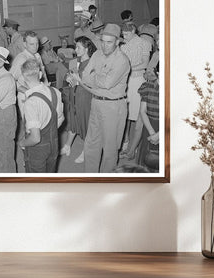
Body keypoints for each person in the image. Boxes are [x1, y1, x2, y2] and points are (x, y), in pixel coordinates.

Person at [78, 24, 130, 173]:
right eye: (103, 41)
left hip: (113, 106)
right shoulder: (96, 54)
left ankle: (106, 181)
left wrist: (94, 76)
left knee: (110, 148)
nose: (105, 46)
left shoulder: (122, 60)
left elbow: (107, 84)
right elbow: (84, 77)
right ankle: (91, 178)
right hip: (96, 102)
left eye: (109, 42)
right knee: (91, 144)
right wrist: (99, 77)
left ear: (117, 42)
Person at [19, 59, 64, 173]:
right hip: (53, 143)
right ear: (40, 74)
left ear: (23, 78)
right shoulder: (55, 91)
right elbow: (61, 118)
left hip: (37, 150)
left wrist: (22, 143)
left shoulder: (31, 102)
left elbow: (35, 138)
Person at [61, 36, 96, 163]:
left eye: (78, 47)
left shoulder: (92, 63)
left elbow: (92, 85)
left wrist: (77, 80)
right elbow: (69, 74)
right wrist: (68, 77)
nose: (75, 50)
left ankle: (85, 151)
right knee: (73, 121)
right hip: (74, 96)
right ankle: (67, 146)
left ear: (86, 49)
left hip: (85, 98)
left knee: (86, 124)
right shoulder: (76, 61)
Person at [120, 23, 152, 155]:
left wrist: (127, 68)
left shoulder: (144, 43)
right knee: (125, 113)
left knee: (140, 115)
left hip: (138, 81)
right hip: (125, 81)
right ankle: (125, 141)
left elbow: (145, 63)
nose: (124, 36)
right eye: (123, 34)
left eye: (127, 34)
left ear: (134, 31)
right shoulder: (122, 45)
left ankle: (135, 146)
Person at [10, 31, 48, 116]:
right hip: (27, 97)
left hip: (40, 94)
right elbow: (10, 80)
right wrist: (28, 91)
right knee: (31, 126)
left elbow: (43, 75)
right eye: (31, 44)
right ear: (24, 44)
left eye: (37, 43)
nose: (35, 47)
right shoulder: (21, 58)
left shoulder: (37, 56)